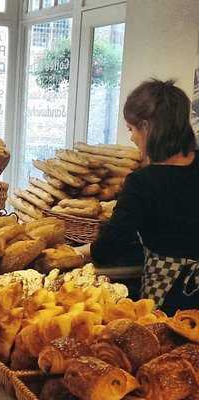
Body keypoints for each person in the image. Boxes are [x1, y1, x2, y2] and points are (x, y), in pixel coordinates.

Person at [76, 79, 199, 316]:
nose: (131, 138)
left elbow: (112, 243)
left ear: (147, 127)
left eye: (132, 129)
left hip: (169, 296)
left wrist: (78, 252)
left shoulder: (143, 182)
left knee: (168, 349)